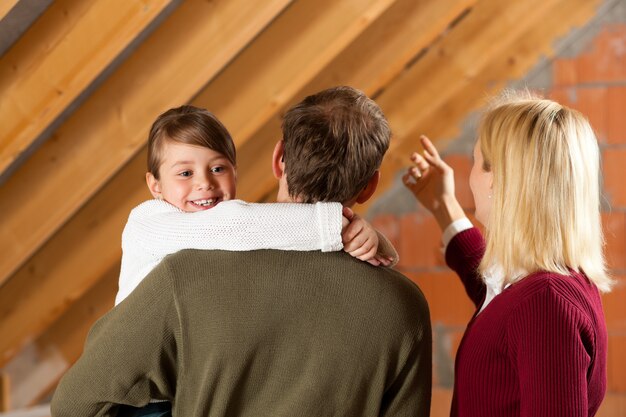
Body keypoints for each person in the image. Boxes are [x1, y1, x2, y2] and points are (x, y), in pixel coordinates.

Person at [51, 86, 432, 417]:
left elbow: (76, 404)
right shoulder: (405, 307)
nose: (203, 183)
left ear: (279, 158)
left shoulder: (184, 274)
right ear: (370, 186)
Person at [403, 90, 611, 417]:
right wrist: (442, 205)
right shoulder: (551, 285)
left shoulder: (546, 303)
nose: (469, 176)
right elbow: (493, 293)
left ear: (500, 180)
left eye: (476, 162)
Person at [116, 105, 397, 305]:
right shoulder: (146, 222)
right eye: (185, 173)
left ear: (235, 172)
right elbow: (237, 225)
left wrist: (370, 238)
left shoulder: (240, 230)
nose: (205, 183)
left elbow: (269, 231)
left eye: (217, 169)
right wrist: (337, 224)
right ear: (155, 185)